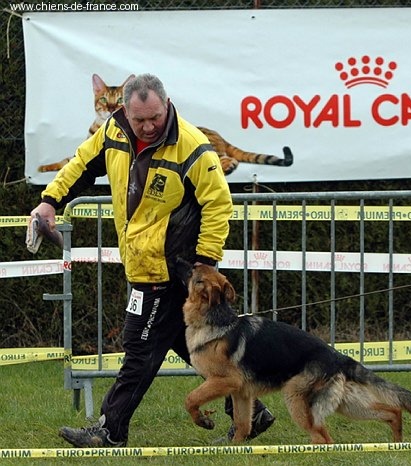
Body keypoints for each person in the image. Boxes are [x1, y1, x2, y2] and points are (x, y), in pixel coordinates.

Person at [30, 73, 274, 447]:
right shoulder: (112, 130)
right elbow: (81, 164)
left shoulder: (193, 146)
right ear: (125, 112)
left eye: (154, 118)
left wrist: (205, 264)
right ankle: (251, 413)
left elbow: (218, 204)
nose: (147, 126)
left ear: (167, 104)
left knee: (139, 347)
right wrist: (50, 201)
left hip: (175, 269)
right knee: (183, 342)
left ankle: (109, 431)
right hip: (143, 264)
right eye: (139, 119)